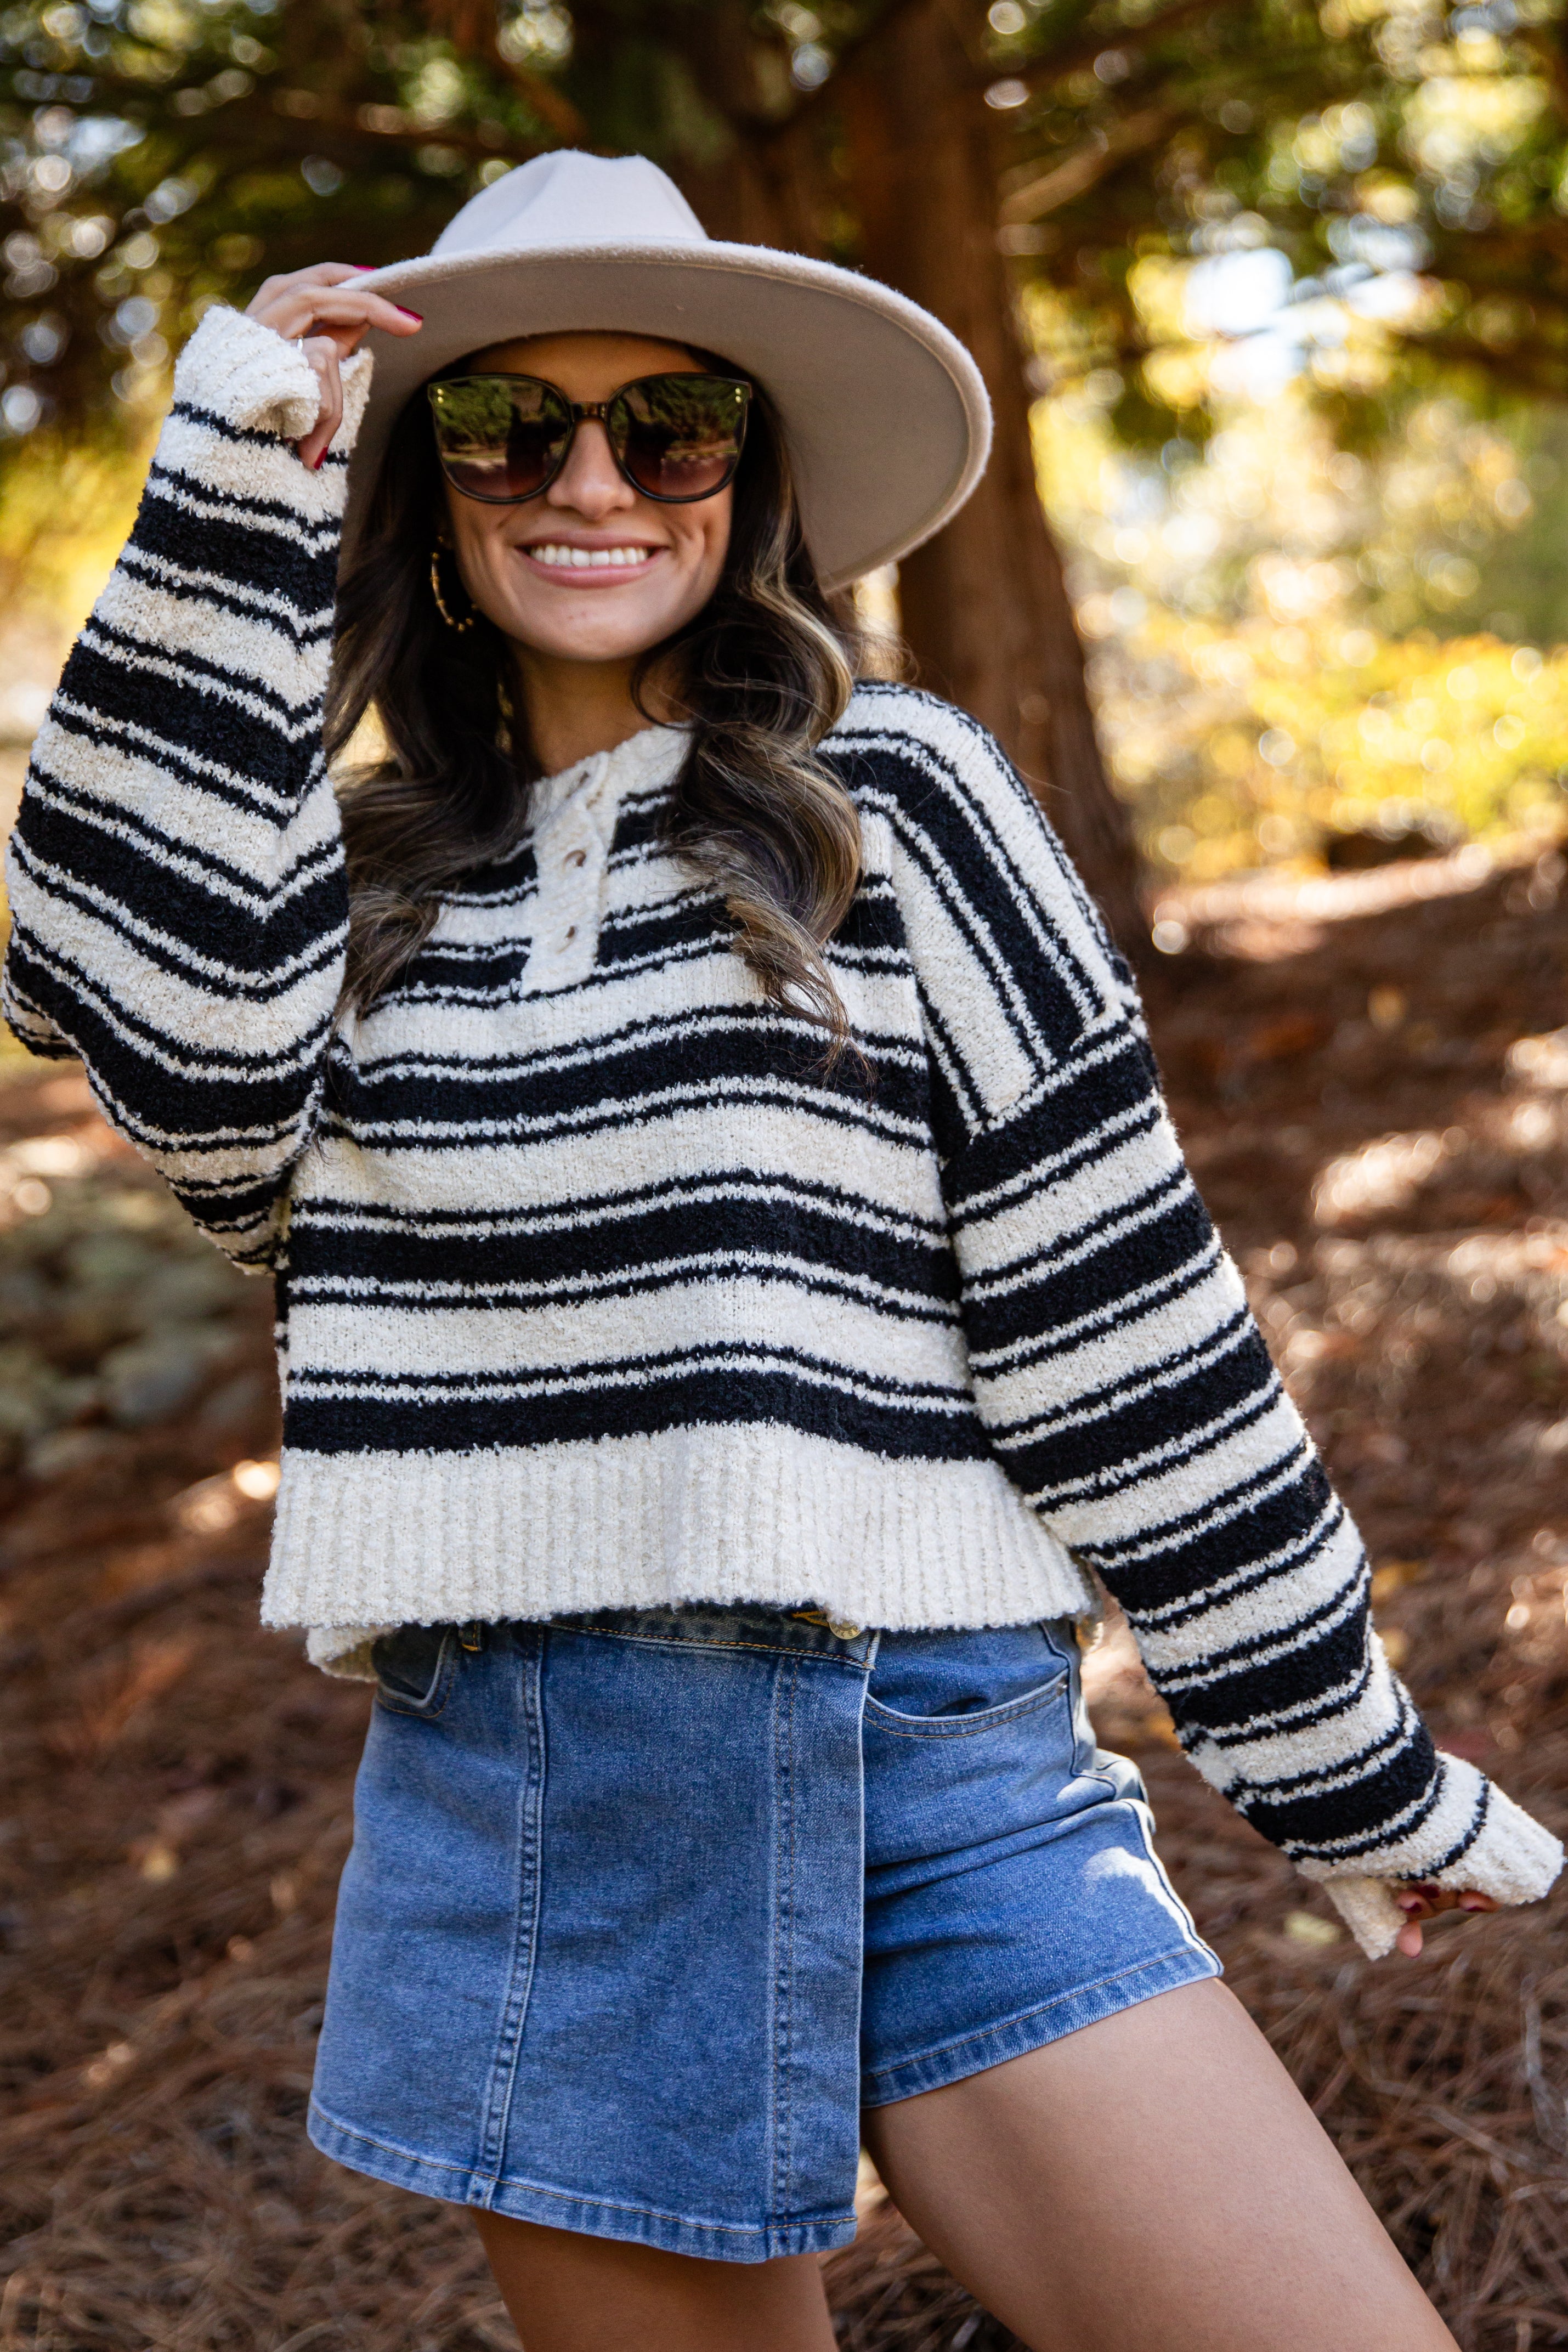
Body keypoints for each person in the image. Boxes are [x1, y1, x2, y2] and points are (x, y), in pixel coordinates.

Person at [4, 150, 1559, 2352]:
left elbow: (1123, 1327)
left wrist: (1334, 1753)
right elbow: (131, 1001)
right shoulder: (345, 910)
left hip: (929, 1757)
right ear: (425, 489)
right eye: (505, 425)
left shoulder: (897, 801)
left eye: (671, 425)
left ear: (750, 477)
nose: (593, 481)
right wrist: (244, 450)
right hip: (532, 1799)